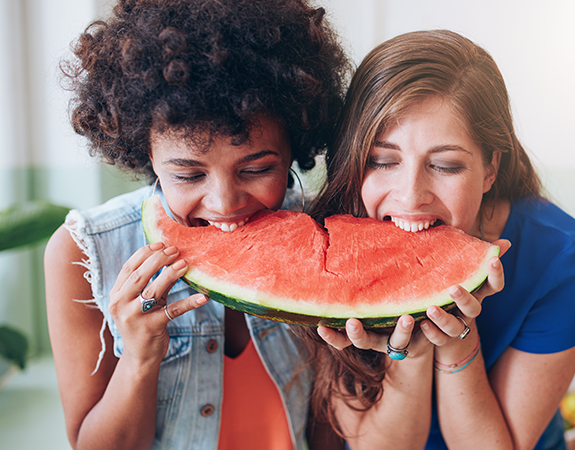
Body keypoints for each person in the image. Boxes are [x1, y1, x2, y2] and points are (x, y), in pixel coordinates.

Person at [43, 1, 348, 449]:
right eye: (188, 175)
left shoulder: (324, 238)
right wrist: (141, 356)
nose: (224, 204)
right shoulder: (82, 251)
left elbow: (327, 431)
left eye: (257, 169)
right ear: (145, 151)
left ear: (293, 144)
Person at [296, 30, 575, 450]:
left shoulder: (563, 258)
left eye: (445, 165)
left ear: (491, 168)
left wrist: (457, 341)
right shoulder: (327, 242)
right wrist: (413, 352)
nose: (410, 195)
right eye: (382, 161)